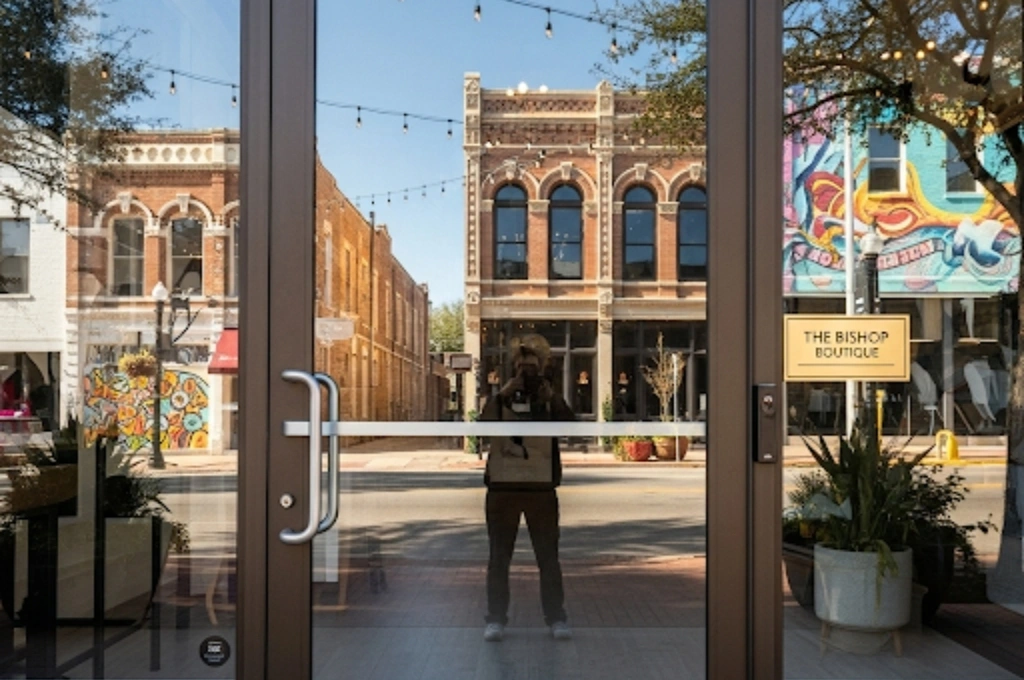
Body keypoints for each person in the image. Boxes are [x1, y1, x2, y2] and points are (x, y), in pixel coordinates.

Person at [479, 333, 574, 642]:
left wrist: (552, 398)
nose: (527, 374)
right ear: (513, 367)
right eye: (521, 367)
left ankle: (556, 618)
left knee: (548, 556)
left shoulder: (548, 396)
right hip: (503, 487)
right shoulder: (503, 394)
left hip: (540, 488)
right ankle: (496, 618)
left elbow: (572, 428)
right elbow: (482, 429)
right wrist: (503, 395)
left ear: (542, 367)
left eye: (532, 367)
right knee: (499, 557)